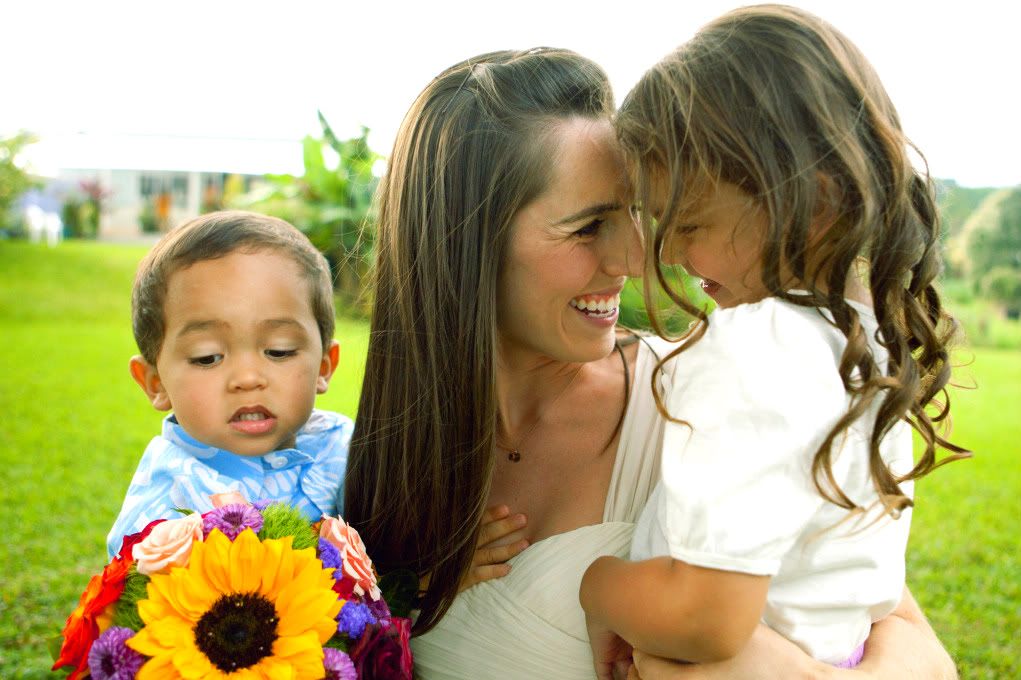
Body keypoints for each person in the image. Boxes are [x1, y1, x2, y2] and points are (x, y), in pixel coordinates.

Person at [342, 48, 958, 679]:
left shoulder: (719, 392)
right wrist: (400, 588)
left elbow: (906, 641)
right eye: (588, 228)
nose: (637, 259)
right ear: (464, 244)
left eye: (637, 212)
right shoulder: (365, 463)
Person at [580, 4, 968, 676]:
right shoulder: (867, 341)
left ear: (815, 206)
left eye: (690, 222)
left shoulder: (754, 347)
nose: (667, 250)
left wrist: (597, 587)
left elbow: (707, 618)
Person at [106, 210, 352, 557]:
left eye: (279, 351)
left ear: (324, 366)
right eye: (207, 358)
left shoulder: (345, 448)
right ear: (155, 382)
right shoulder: (165, 513)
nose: (248, 379)